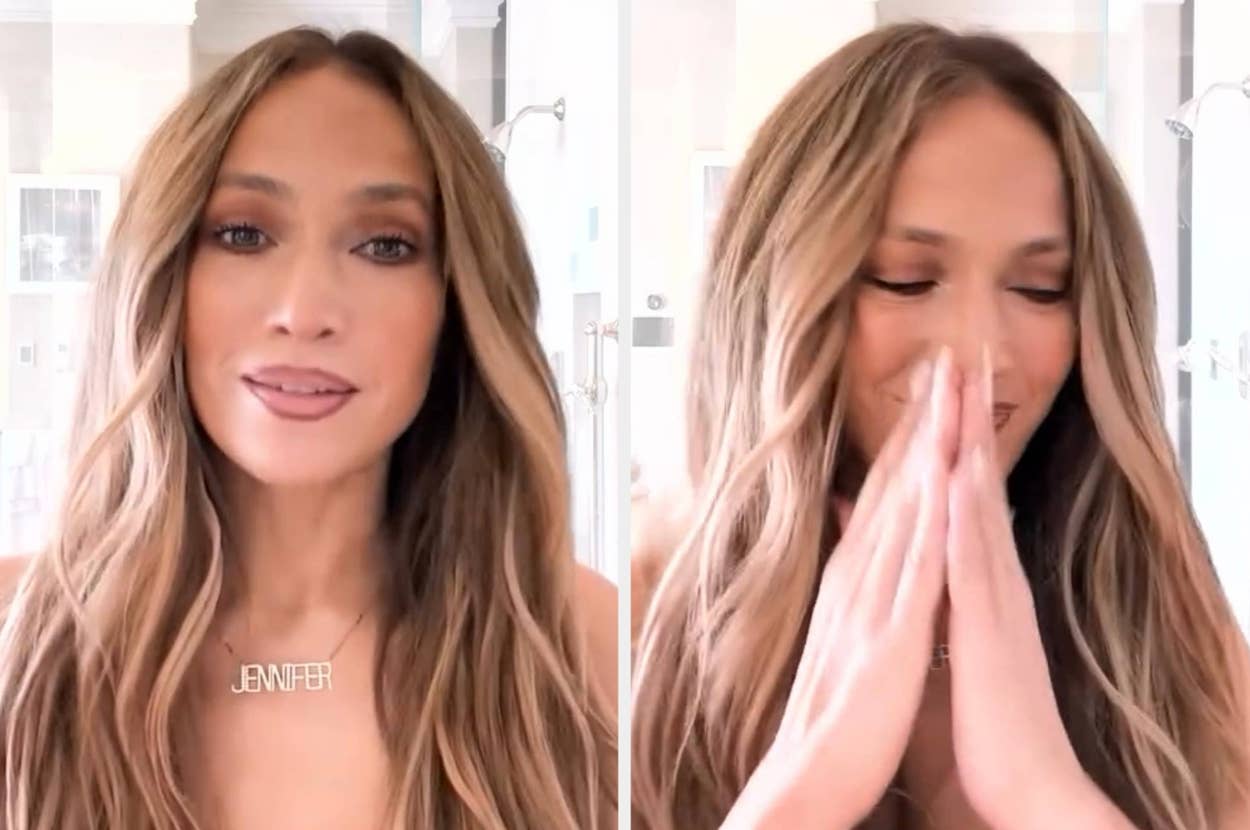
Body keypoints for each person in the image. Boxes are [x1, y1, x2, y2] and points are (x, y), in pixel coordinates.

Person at [631, 22, 1250, 830]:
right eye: (906, 279)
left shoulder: (1163, 630)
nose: (976, 351)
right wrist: (808, 786)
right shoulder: (628, 622)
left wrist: (1042, 792)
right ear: (780, 293)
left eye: (1040, 289)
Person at [0, 27, 616, 830]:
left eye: (385, 245)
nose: (304, 312)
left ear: (455, 305)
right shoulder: (18, 641)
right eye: (244, 234)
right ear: (158, 279)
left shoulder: (584, 648)